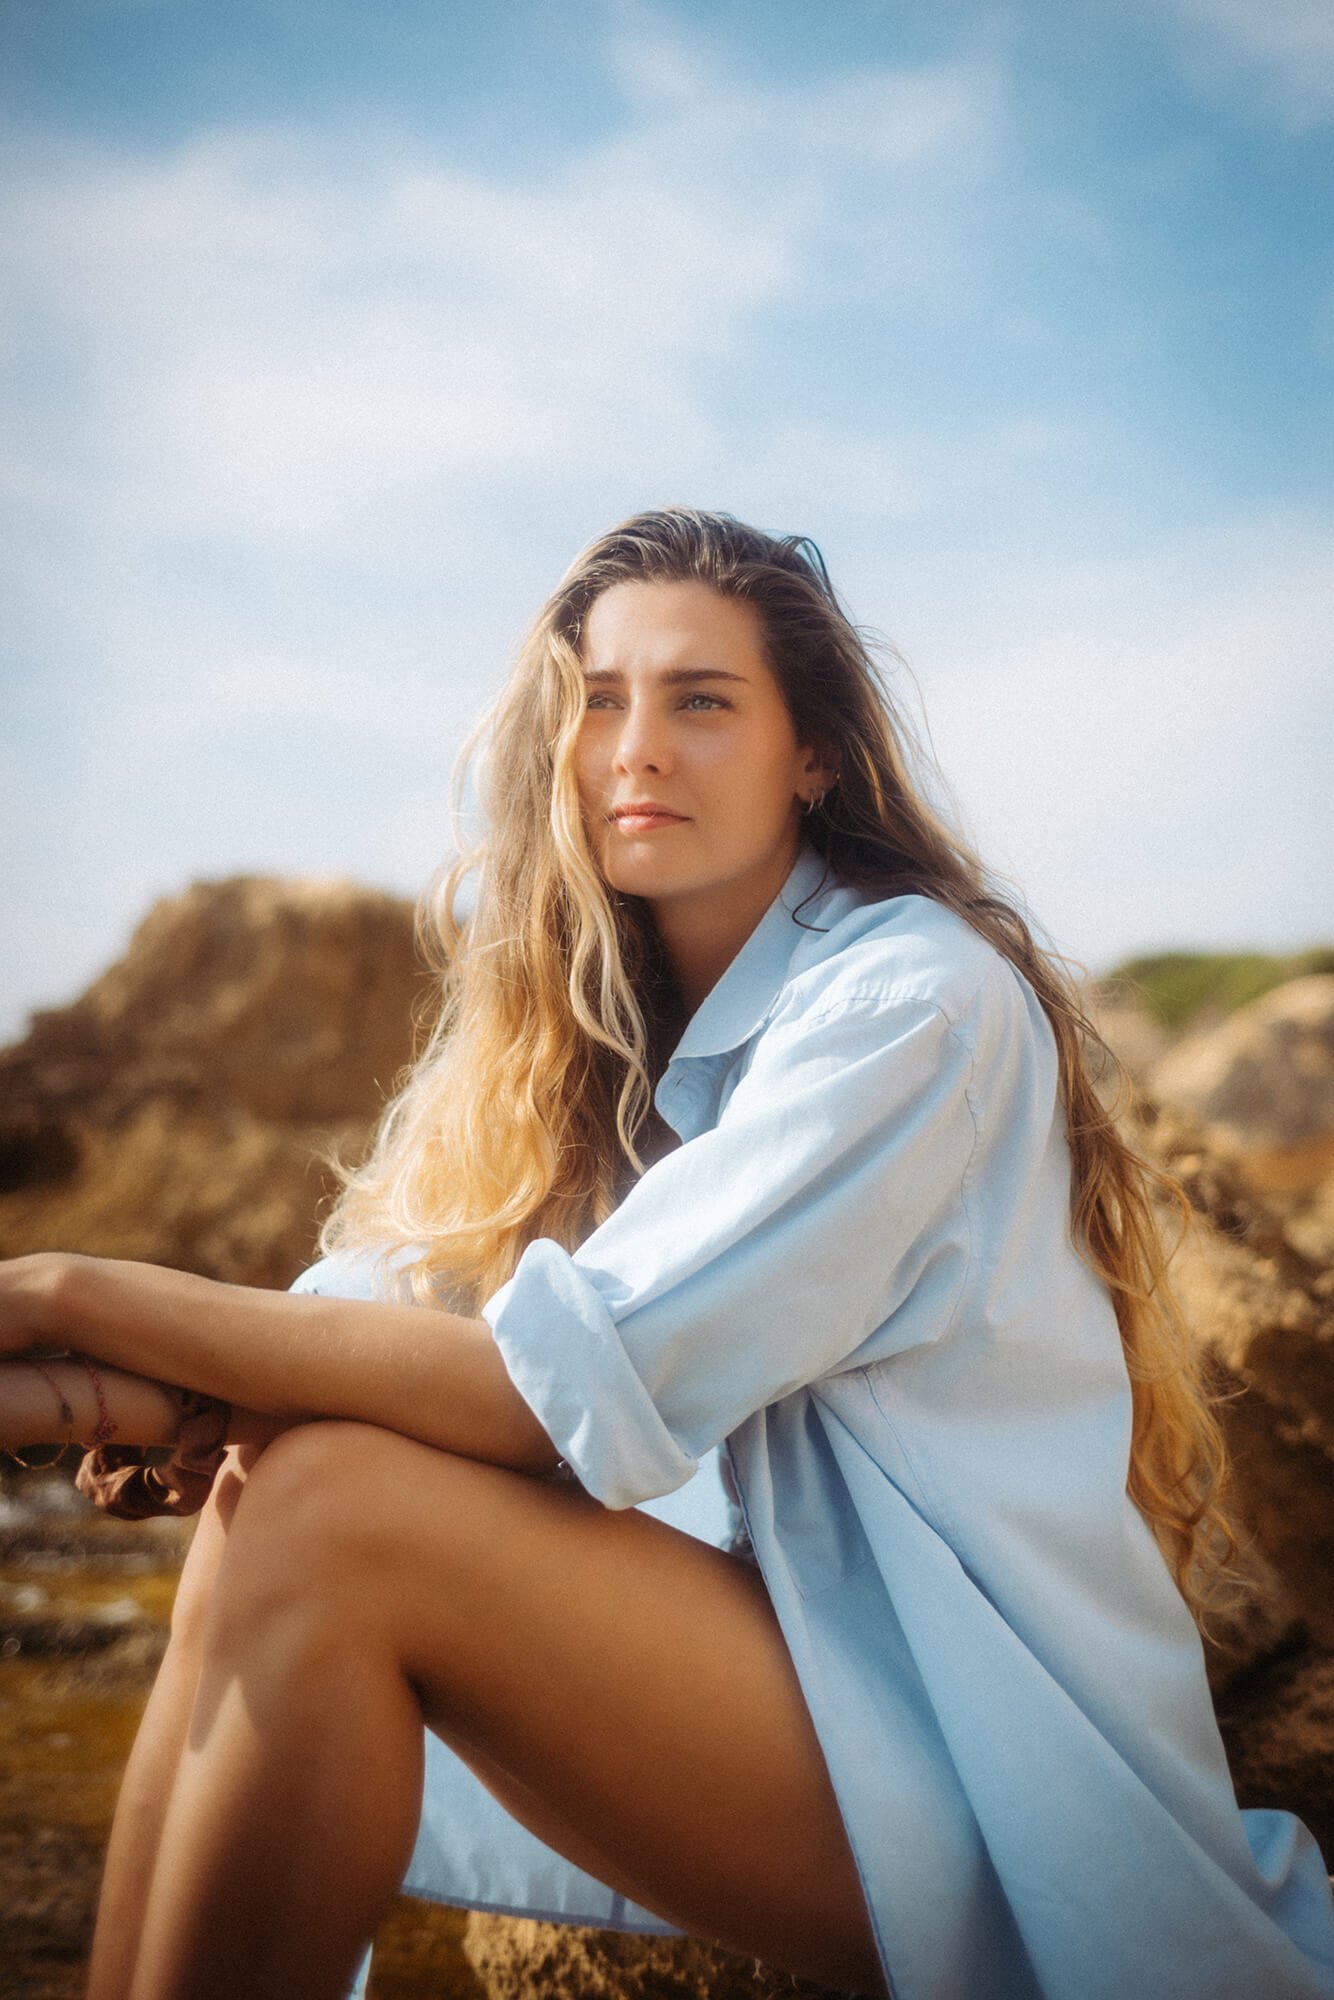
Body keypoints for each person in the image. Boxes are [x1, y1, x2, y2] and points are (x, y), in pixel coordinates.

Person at [1, 509, 1331, 2000]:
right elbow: (392, 1304)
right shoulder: (603, 1045)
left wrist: (71, 1294)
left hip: (1000, 1785)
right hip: (827, 1703)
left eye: (701, 700)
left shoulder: (909, 1007)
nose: (635, 748)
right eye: (599, 700)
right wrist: (158, 1390)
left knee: (331, 1511)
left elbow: (542, 1390)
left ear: (811, 753)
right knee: (277, 1490)